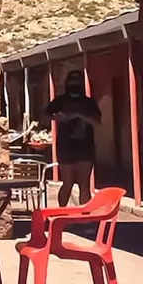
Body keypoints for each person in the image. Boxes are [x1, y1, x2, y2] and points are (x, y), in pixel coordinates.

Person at [43, 69, 100, 206]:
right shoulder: (60, 101)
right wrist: (56, 117)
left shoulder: (88, 102)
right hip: (65, 145)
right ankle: (62, 212)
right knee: (67, 182)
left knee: (84, 184)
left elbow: (97, 121)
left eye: (77, 80)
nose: (74, 83)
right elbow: (45, 116)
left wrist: (79, 116)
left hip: (85, 146)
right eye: (71, 80)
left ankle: (85, 217)